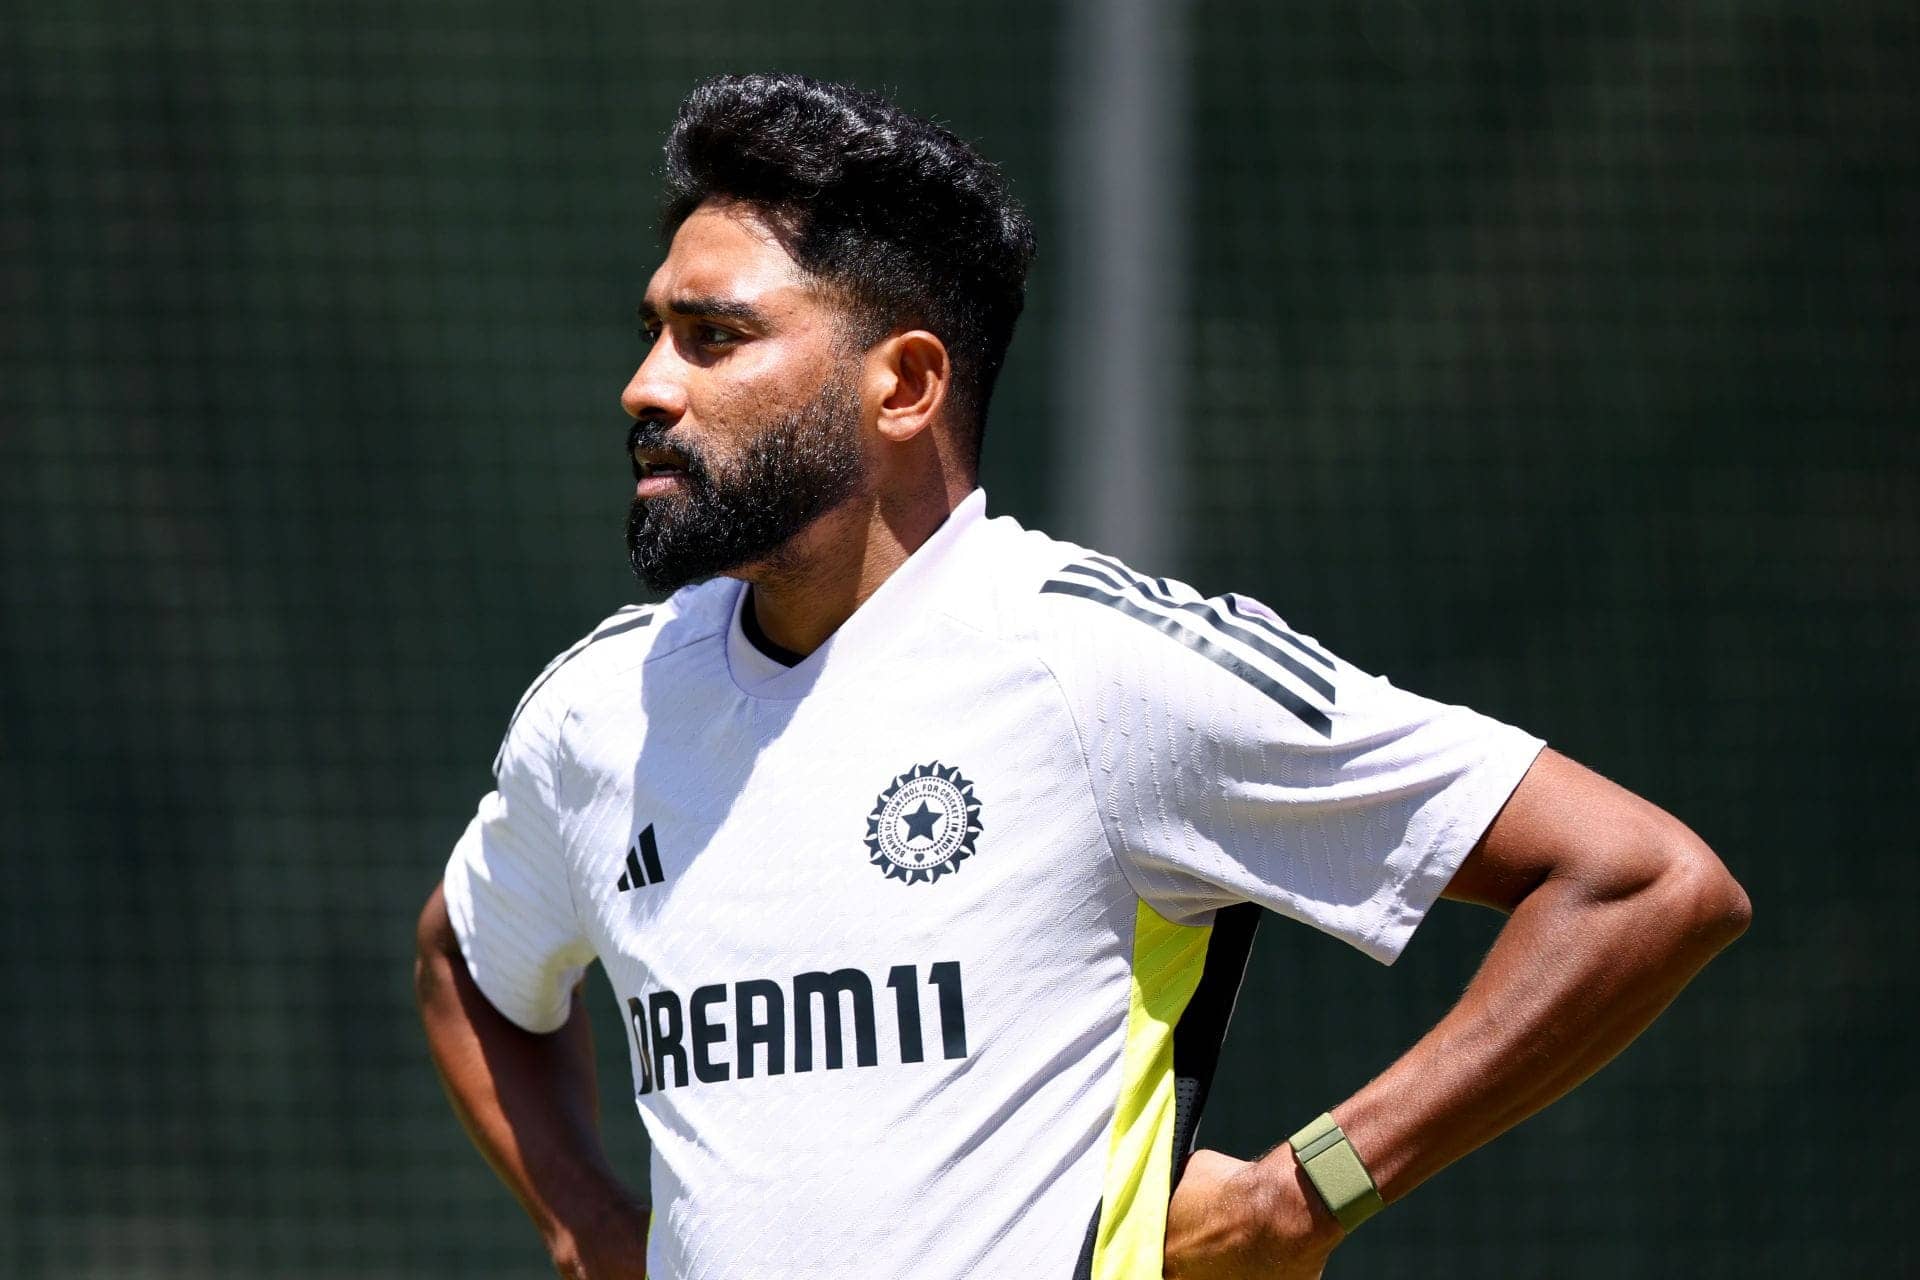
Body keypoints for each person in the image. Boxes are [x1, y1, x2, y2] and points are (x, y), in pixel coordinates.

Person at [413, 72, 1750, 1280]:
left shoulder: (1101, 666)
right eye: (654, 331)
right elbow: (466, 961)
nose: (646, 386)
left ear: (905, 385)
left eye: (713, 338)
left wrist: (1305, 1195)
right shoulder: (603, 711)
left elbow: (1642, 883)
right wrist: (588, 1227)